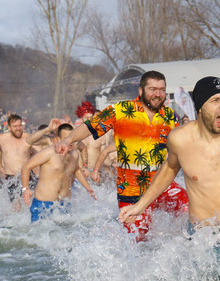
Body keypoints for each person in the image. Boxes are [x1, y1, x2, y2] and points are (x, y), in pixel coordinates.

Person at [118, 76, 220, 231]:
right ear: (200, 106)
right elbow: (168, 170)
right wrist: (139, 206)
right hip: (202, 235)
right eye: (216, 100)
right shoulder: (180, 139)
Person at [55, 70, 188, 240]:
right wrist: (68, 140)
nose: (158, 94)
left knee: (190, 210)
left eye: (162, 89)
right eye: (152, 89)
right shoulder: (121, 110)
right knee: (138, 241)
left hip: (162, 185)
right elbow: (89, 126)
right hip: (132, 189)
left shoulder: (170, 117)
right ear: (141, 91)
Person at [21, 123, 95, 222]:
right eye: (66, 138)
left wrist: (88, 187)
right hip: (44, 204)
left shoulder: (74, 154)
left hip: (64, 204)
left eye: (71, 138)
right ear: (58, 139)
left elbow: (77, 170)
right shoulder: (50, 152)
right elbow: (26, 166)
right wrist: (25, 189)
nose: (70, 142)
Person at [0, 114, 34, 210]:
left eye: (20, 126)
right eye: (15, 126)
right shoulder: (1, 138)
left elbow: (37, 153)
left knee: (30, 204)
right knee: (16, 207)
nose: (18, 128)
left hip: (27, 175)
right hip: (11, 177)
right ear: (9, 127)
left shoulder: (28, 138)